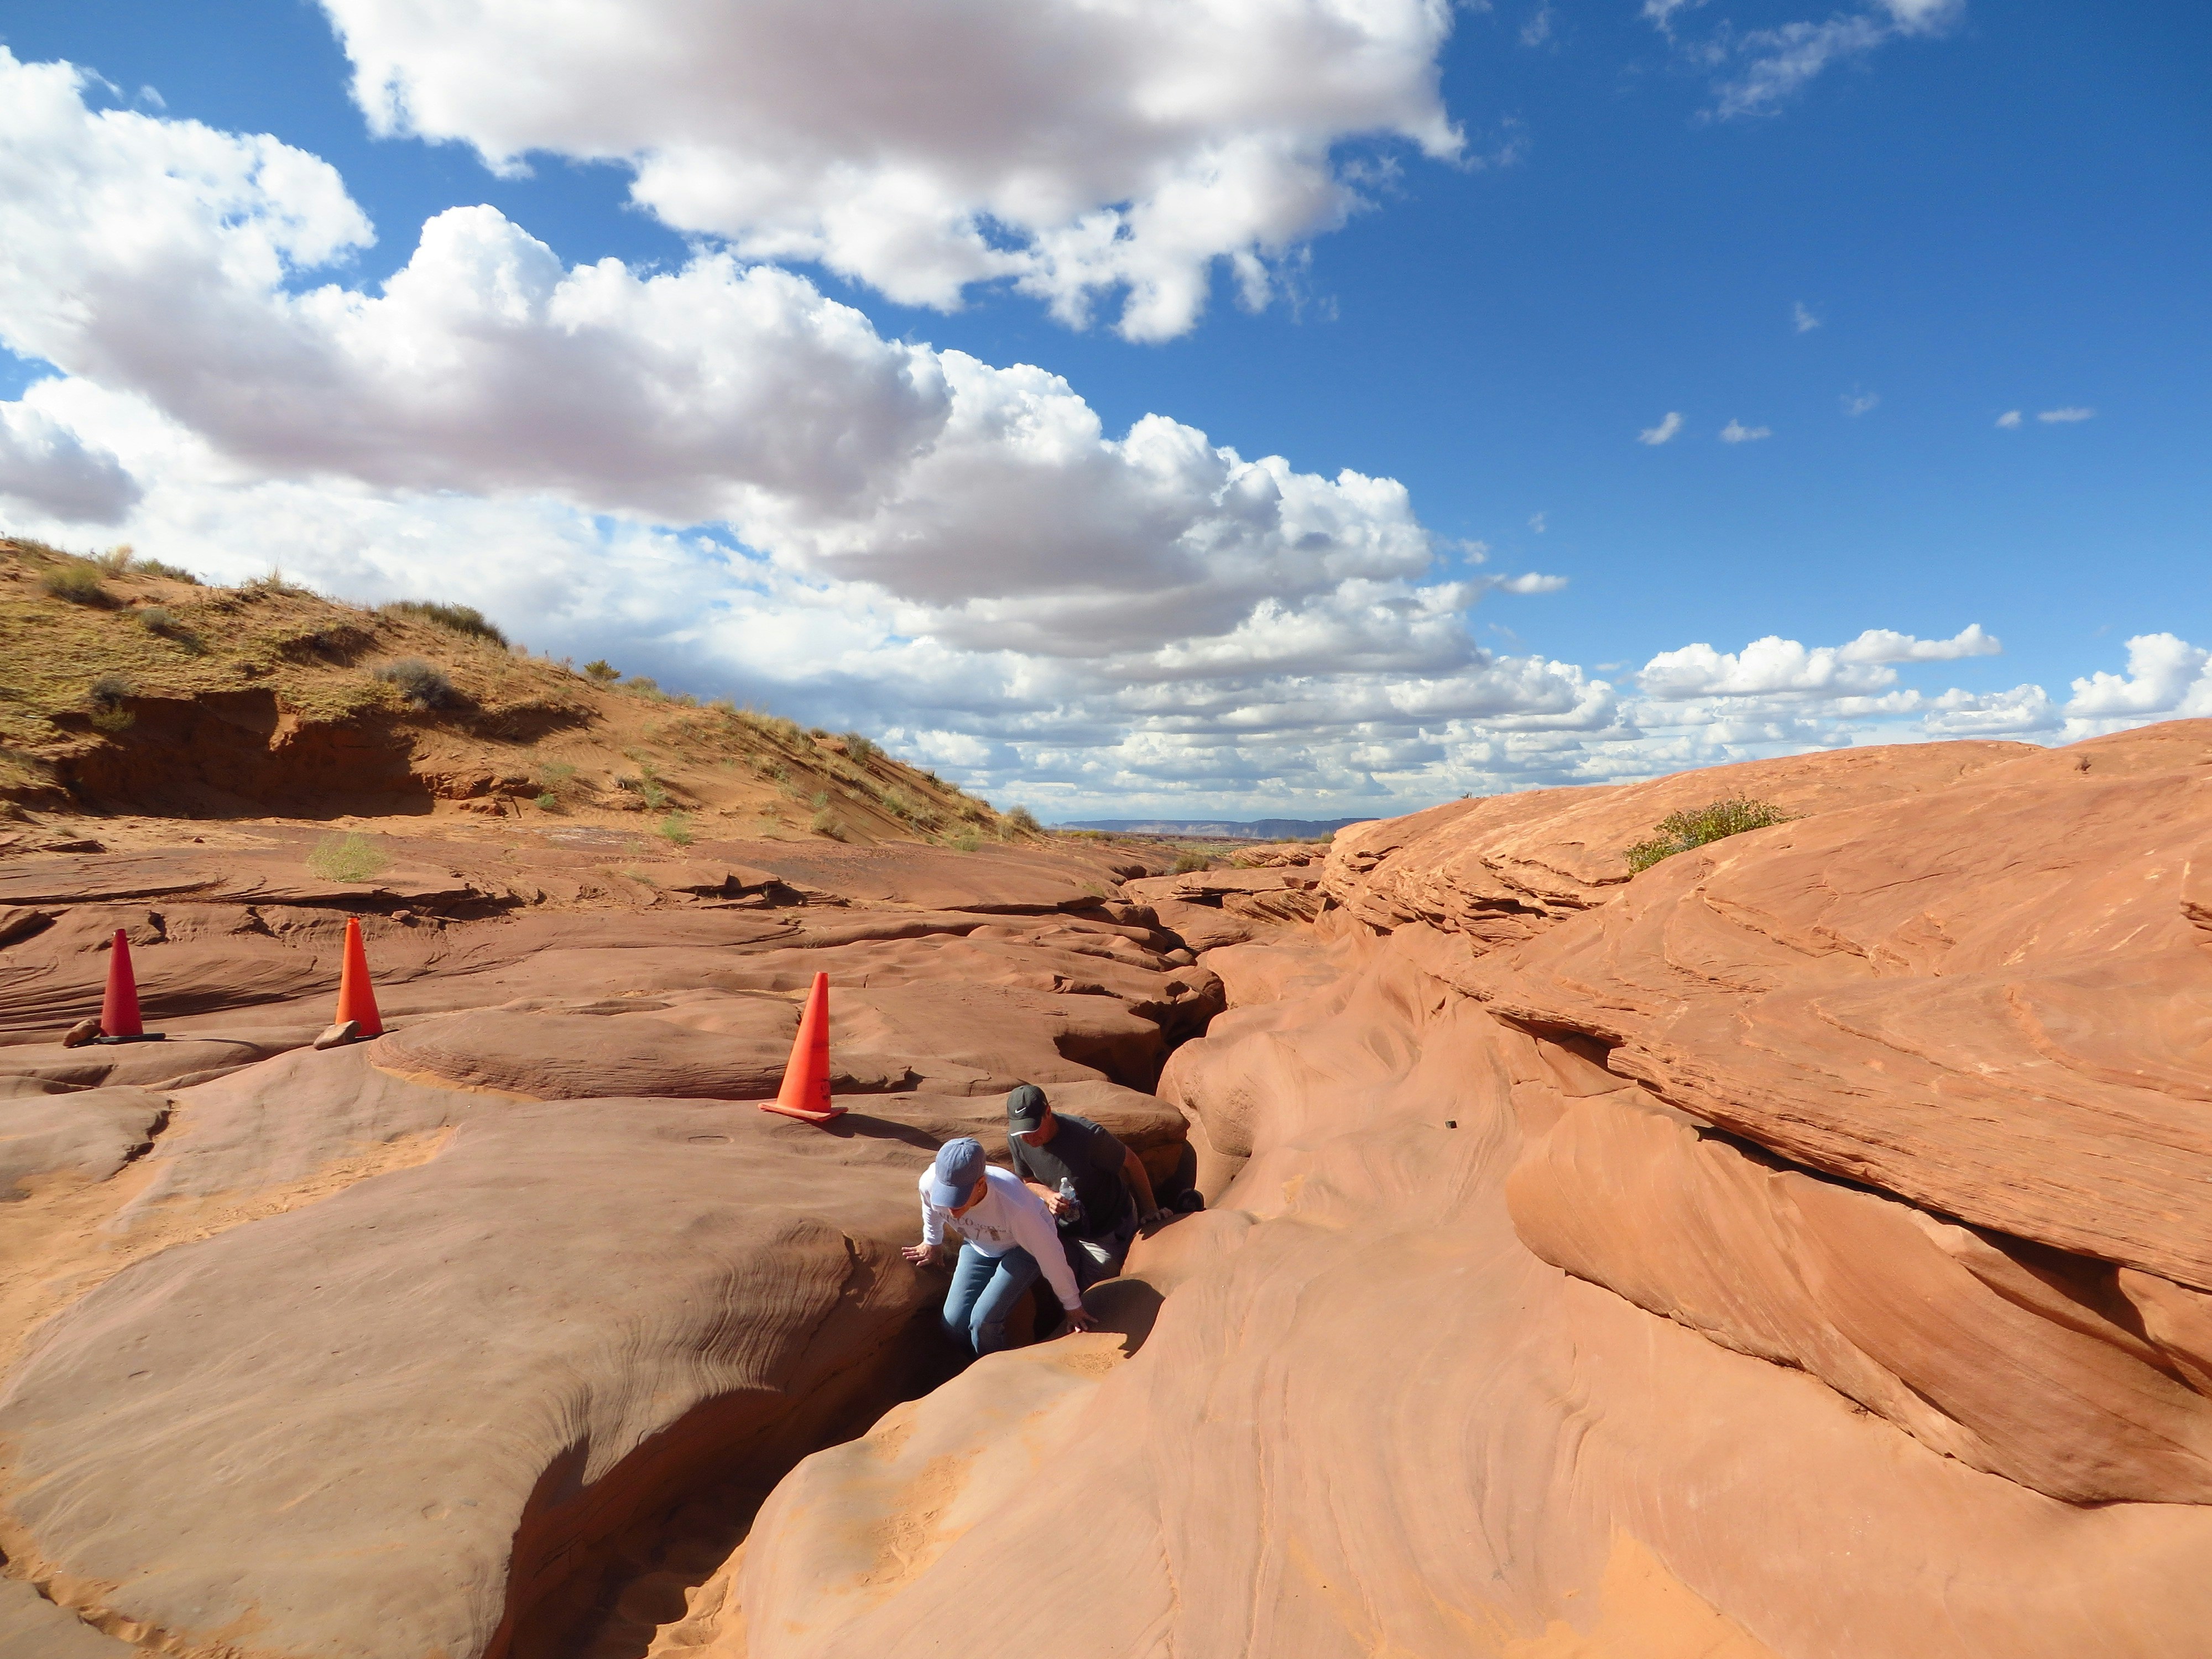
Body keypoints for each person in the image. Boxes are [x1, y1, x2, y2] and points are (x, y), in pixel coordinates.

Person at [902, 1136, 1095, 1355]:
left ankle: (997, 1373)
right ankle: (974, 1366)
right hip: (978, 1246)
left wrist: (1072, 1306)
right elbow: (930, 1207)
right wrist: (932, 1241)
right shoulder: (929, 1183)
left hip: (1023, 1248)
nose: (950, 1207)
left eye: (959, 1198)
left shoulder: (1016, 1206)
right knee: (953, 1324)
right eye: (946, 1195)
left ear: (981, 1184)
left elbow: (1051, 1256)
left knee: (983, 1322)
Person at [1003, 1083, 1165, 1291]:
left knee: (1098, 1291)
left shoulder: (1088, 1137)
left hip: (1106, 1229)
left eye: (1033, 1128)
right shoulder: (1018, 1140)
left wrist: (1150, 1208)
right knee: (1060, 1280)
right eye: (1021, 1131)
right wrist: (1048, 1195)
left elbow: (1131, 1162)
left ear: (1048, 1112)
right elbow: (1027, 1180)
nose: (1028, 1138)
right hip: (1064, 1227)